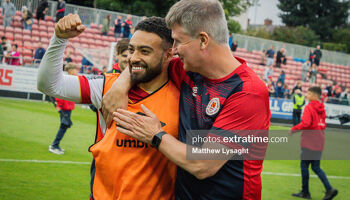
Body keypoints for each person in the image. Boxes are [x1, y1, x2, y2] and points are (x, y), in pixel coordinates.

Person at [106, 0, 271, 199]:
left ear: (203, 40)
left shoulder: (247, 91)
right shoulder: (187, 70)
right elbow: (146, 64)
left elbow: (203, 165)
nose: (173, 49)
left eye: (178, 41)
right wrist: (120, 85)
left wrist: (155, 135)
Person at [38, 14, 179, 199]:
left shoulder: (185, 95)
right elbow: (49, 85)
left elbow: (203, 154)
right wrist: (59, 39)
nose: (134, 58)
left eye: (145, 51)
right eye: (131, 50)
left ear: (168, 54)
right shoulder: (106, 86)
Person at [290, 86, 338, 200]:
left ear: (314, 95)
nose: (307, 95)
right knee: (316, 167)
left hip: (309, 142)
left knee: (304, 166)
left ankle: (306, 192)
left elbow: (306, 123)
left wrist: (294, 129)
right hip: (319, 141)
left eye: (309, 93)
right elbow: (323, 124)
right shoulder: (322, 108)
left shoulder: (309, 107)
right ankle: (329, 189)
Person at [48, 63, 79, 155]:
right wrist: (59, 106)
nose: (77, 71)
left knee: (65, 126)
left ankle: (56, 145)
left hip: (68, 107)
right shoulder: (66, 80)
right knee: (64, 125)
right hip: (64, 108)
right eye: (75, 69)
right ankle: (54, 145)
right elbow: (60, 93)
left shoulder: (72, 80)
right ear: (70, 71)